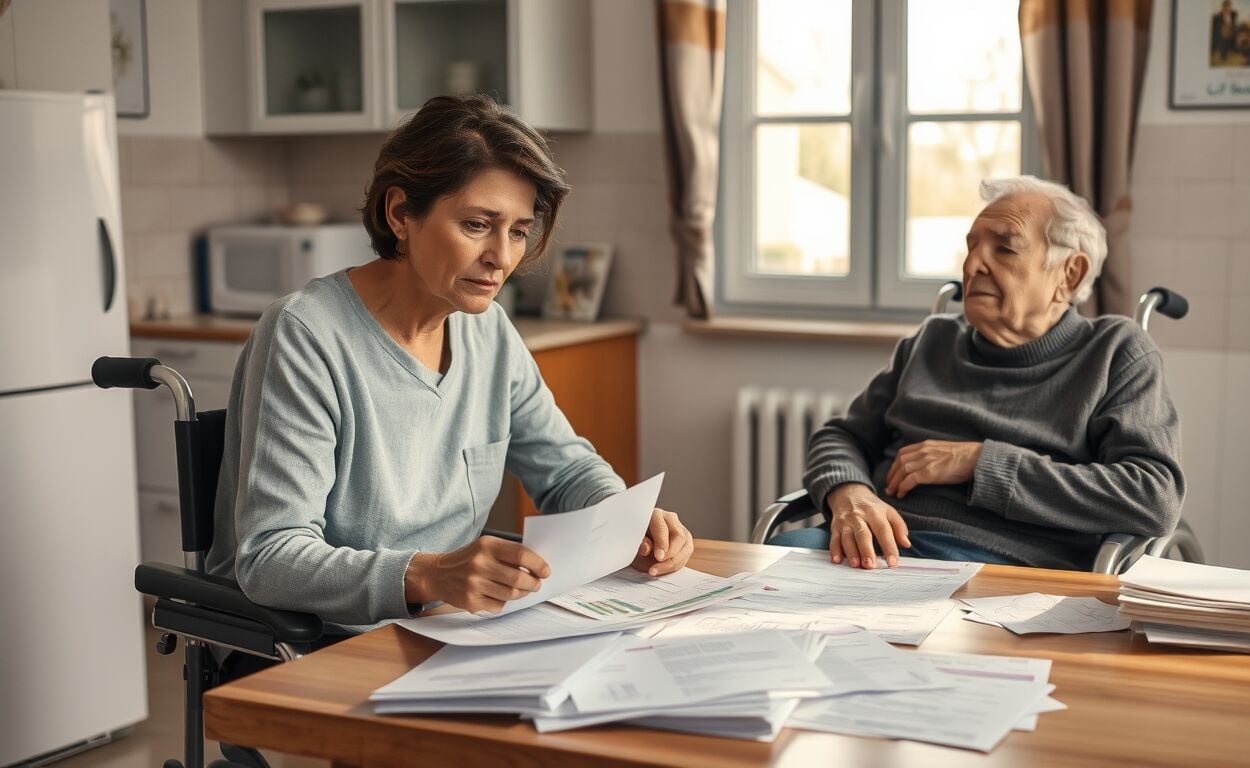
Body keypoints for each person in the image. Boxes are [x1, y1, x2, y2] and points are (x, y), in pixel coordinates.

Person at [206, 95, 693, 634]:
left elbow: (566, 469)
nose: (503, 258)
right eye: (478, 225)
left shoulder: (489, 329)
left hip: (449, 631)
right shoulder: (305, 335)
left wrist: (627, 517)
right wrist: (430, 576)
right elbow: (271, 557)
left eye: (517, 231)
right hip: (320, 645)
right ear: (400, 214)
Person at [769, 176, 1184, 571]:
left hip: (1009, 565)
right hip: (882, 548)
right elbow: (842, 437)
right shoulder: (932, 341)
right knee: (772, 570)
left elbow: (1151, 496)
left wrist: (981, 462)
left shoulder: (1115, 352)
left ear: (1068, 273)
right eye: (971, 247)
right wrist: (849, 493)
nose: (973, 265)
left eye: (1004, 249)